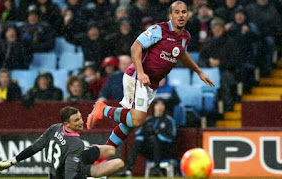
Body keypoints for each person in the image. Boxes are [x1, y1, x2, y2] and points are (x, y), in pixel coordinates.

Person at [87, 1, 214, 148]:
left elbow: (182, 54)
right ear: (170, 15)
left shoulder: (185, 36)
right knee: (138, 119)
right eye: (177, 12)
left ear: (188, 15)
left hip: (151, 84)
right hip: (137, 77)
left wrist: (199, 72)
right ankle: (103, 110)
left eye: (184, 12)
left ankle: (108, 148)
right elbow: (136, 47)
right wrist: (140, 72)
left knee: (131, 120)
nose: (180, 15)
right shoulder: (158, 30)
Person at [0, 106, 125, 178]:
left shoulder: (54, 128)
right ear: (67, 124)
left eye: (80, 118)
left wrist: (11, 162)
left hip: (61, 167)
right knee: (119, 163)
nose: (81, 122)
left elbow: (34, 148)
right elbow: (70, 175)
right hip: (68, 171)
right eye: (77, 121)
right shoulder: (75, 143)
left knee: (111, 150)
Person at [124, 98, 176, 176]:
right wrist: (146, 134)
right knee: (138, 141)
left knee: (154, 139)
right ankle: (128, 170)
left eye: (162, 105)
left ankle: (157, 169)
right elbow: (138, 134)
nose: (160, 107)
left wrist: (157, 134)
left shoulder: (169, 120)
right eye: (157, 104)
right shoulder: (148, 120)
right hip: (150, 150)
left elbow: (171, 138)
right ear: (154, 107)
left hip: (165, 150)